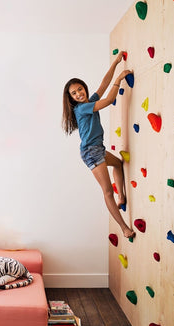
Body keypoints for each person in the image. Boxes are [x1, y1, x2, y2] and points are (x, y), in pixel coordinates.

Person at [62, 52, 135, 239]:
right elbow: (109, 100)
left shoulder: (89, 101)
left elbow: (103, 84)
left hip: (97, 148)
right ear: (71, 98)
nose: (79, 93)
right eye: (74, 93)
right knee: (107, 191)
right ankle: (124, 227)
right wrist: (119, 79)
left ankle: (122, 198)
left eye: (80, 89)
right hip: (90, 152)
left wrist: (115, 63)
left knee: (118, 164)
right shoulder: (82, 108)